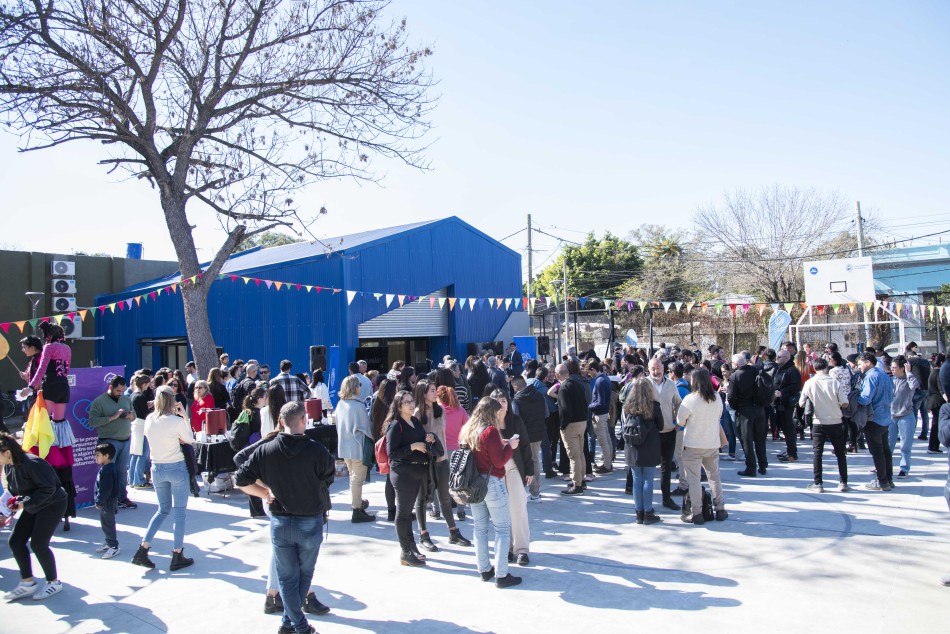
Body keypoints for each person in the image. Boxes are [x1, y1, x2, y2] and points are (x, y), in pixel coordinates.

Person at [235, 401, 335, 632]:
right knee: (302, 575)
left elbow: (240, 479)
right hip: (308, 519)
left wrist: (264, 492)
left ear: (281, 422)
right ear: (304, 420)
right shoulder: (316, 450)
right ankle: (299, 626)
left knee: (289, 578)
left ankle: (288, 623)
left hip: (282, 520)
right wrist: (265, 492)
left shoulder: (266, 450)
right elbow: (328, 477)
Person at [459, 397, 522, 588]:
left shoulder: (469, 430)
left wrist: (501, 443)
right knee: (502, 529)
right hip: (492, 482)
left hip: (474, 484)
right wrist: (510, 446)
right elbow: (498, 461)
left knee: (480, 528)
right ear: (492, 413)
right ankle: (502, 575)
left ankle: (484, 569)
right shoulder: (491, 431)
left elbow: (481, 452)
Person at [131, 386, 196, 570]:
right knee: (179, 512)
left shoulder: (150, 419)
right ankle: (177, 553)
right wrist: (185, 416)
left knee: (162, 510)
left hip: (157, 467)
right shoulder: (176, 421)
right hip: (176, 466)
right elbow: (189, 439)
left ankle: (143, 548)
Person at [19, 326, 76, 531]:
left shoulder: (49, 347)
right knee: (59, 421)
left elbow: (42, 369)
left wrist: (31, 387)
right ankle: (58, 449)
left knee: (44, 420)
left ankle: (45, 449)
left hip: (51, 386)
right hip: (64, 387)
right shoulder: (67, 349)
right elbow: (65, 369)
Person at [1, 432, 68, 601]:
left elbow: (49, 489)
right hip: (33, 505)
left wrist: (24, 504)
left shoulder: (33, 463)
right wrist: (5, 510)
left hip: (53, 504)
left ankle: (54, 582)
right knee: (15, 541)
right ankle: (27, 583)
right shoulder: (9, 466)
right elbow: (14, 491)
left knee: (39, 544)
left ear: (6, 452)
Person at [414, 379, 471, 549]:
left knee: (445, 496)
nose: (435, 393)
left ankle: (453, 532)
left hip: (442, 458)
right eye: (432, 390)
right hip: (425, 462)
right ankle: (423, 534)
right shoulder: (418, 413)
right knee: (422, 498)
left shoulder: (440, 411)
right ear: (423, 393)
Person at [385, 390, 435, 567]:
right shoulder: (395, 425)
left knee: (408, 514)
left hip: (417, 472)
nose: (411, 404)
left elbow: (422, 439)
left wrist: (428, 438)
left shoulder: (414, 421)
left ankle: (411, 546)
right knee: (403, 513)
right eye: (406, 402)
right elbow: (392, 453)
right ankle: (405, 551)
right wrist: (412, 446)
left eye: (412, 401)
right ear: (399, 406)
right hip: (403, 473)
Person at [676, 368, 728, 524]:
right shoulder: (717, 397)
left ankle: (697, 513)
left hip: (693, 444)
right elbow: (719, 416)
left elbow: (680, 421)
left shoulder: (690, 399)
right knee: (714, 477)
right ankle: (720, 509)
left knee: (693, 480)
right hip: (711, 443)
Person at [490, 388, 533, 566]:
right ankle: (505, 547)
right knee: (501, 511)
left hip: (514, 468)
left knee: (518, 507)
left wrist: (529, 470)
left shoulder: (515, 421)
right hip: (495, 471)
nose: (501, 403)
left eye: (504, 400)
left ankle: (521, 549)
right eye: (497, 400)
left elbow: (525, 445)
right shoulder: (487, 425)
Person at [799, 358, 849, 492]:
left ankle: (818, 483)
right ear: (827, 367)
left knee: (817, 453)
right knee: (840, 453)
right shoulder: (835, 382)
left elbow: (801, 403)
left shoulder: (810, 383)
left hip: (818, 421)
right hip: (836, 420)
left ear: (814, 369)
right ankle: (843, 482)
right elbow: (845, 402)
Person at [88, 376, 138, 509]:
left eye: (122, 391)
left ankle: (122, 497)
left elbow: (134, 416)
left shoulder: (126, 399)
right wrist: (113, 417)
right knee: (109, 471)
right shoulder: (99, 402)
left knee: (122, 471)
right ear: (110, 387)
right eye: (118, 391)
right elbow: (92, 422)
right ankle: (108, 499)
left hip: (125, 440)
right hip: (109, 441)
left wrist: (130, 416)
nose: (120, 393)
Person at [621, 378, 663, 525]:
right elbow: (661, 425)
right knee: (648, 480)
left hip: (632, 447)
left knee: (637, 479)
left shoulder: (627, 406)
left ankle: (639, 512)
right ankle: (648, 511)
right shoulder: (654, 406)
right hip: (649, 446)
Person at [335, 375, 376, 523]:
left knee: (353, 477)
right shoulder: (358, 406)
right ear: (354, 387)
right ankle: (356, 508)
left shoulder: (340, 404)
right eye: (358, 385)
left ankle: (357, 503)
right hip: (358, 446)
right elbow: (366, 428)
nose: (360, 387)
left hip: (345, 446)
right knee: (357, 479)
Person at [644, 358, 683, 511]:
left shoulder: (671, 385)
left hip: (668, 431)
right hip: (650, 433)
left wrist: (679, 422)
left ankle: (666, 498)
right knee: (648, 468)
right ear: (648, 369)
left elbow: (679, 403)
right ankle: (646, 504)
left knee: (666, 467)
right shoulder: (644, 384)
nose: (656, 371)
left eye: (658, 368)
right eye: (653, 368)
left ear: (664, 368)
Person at [857, 351, 895, 491]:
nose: (859, 367)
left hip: (873, 419)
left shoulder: (871, 376)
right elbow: (893, 392)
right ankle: (888, 479)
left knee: (877, 452)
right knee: (885, 450)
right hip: (885, 417)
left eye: (860, 364)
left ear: (868, 362)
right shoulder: (884, 375)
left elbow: (866, 398)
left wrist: (855, 398)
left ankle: (882, 481)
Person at [728, 353, 769, 477]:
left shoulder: (735, 376)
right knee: (760, 439)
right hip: (760, 409)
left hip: (745, 411)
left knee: (747, 441)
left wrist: (735, 407)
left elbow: (731, 397)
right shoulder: (756, 371)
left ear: (735, 364)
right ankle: (763, 465)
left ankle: (751, 467)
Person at [511, 375, 548, 501]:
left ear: (516, 386)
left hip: (526, 435)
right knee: (535, 460)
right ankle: (536, 490)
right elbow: (546, 413)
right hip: (539, 433)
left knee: (529, 462)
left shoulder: (517, 400)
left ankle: (535, 491)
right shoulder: (539, 395)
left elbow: (515, 419)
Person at [438, 385, 470, 522]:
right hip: (458, 449)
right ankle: (461, 511)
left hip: (442, 451)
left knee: (441, 482)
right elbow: (468, 428)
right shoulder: (461, 410)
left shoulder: (438, 411)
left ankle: (437, 509)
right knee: (459, 481)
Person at [555, 363, 589, 495]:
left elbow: (565, 410)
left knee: (574, 456)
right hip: (582, 422)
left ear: (558, 375)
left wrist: (563, 426)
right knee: (580, 453)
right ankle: (581, 480)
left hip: (571, 425)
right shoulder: (578, 384)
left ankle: (577, 485)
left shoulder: (563, 388)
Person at [890, 356, 921, 478]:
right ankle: (884, 466)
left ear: (903, 368)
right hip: (891, 416)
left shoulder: (909, 379)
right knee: (888, 444)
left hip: (906, 416)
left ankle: (904, 468)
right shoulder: (891, 380)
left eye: (895, 368)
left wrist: (909, 373)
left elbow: (915, 386)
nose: (892, 370)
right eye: (891, 367)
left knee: (905, 445)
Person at [773, 348, 803, 462]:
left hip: (786, 403)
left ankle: (792, 453)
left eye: (779, 357)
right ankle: (790, 449)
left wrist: (782, 392)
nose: (777, 359)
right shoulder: (780, 369)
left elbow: (796, 386)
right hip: (779, 402)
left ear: (786, 358)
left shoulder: (792, 370)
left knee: (788, 428)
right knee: (785, 428)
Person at [93, 442, 121, 559]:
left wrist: (100, 501)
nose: (96, 458)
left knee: (108, 524)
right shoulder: (108, 467)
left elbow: (105, 488)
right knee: (105, 524)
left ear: (106, 456)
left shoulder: (107, 470)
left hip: (107, 502)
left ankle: (113, 547)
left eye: (98, 455)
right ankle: (108, 542)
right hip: (107, 501)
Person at [588, 361, 614, 474]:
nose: (589, 375)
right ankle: (608, 463)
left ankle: (607, 466)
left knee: (603, 441)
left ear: (593, 369)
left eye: (589, 372)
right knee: (607, 439)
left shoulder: (599, 381)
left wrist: (589, 406)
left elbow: (600, 402)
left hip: (599, 414)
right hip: (604, 413)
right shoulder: (605, 378)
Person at [129, 374, 154, 490]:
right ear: (144, 384)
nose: (148, 387)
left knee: (135, 453)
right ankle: (138, 480)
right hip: (141, 425)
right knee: (142, 453)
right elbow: (145, 413)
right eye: (147, 385)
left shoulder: (134, 395)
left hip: (135, 424)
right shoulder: (140, 396)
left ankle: (132, 479)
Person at [927, 354, 947, 454]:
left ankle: (933, 446)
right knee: (937, 426)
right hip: (938, 402)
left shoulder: (933, 371)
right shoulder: (939, 373)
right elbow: (941, 390)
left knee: (935, 425)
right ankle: (933, 446)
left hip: (932, 401)